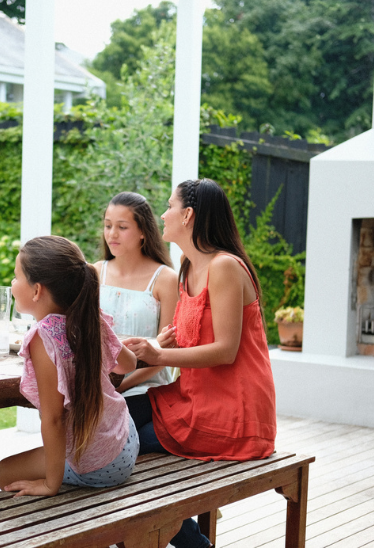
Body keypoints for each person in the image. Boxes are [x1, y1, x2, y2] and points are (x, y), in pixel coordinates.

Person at [122, 178, 277, 548]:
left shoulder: (225, 267)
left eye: (169, 206)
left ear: (188, 215)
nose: (163, 214)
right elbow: (182, 338)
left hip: (232, 412)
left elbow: (225, 350)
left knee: (122, 452)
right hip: (191, 399)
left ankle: (189, 543)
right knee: (112, 421)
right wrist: (141, 359)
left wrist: (159, 355)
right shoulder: (187, 265)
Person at [0, 236, 139, 496]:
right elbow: (128, 364)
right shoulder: (88, 316)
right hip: (125, 440)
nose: (13, 284)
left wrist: (51, 484)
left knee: (3, 472)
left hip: (99, 464)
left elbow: (54, 419)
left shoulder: (43, 337)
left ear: (37, 291)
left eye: (16, 277)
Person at [94, 192, 179, 397]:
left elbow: (167, 352)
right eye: (108, 226)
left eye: (122, 227)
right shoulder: (95, 273)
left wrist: (120, 387)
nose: (112, 234)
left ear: (143, 231)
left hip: (145, 388)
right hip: (96, 386)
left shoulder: (166, 279)